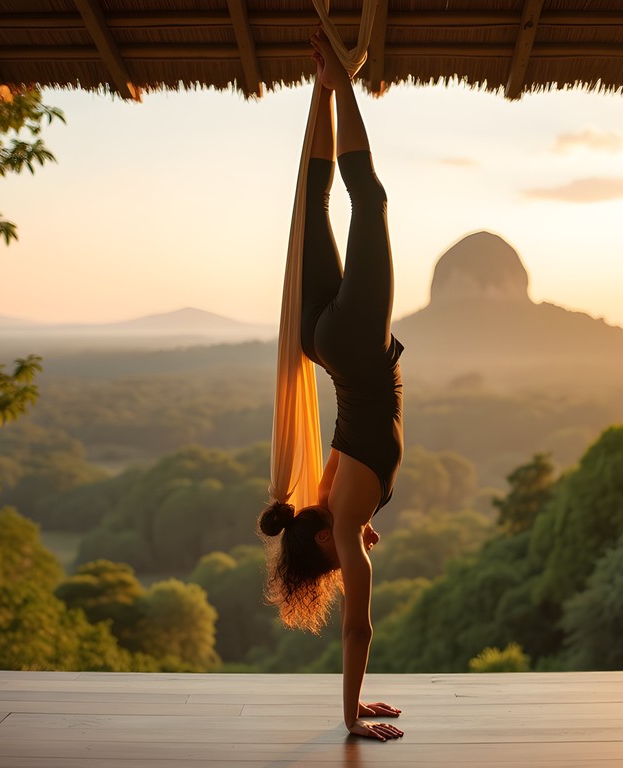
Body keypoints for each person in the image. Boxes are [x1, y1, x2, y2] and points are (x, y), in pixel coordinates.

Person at [257, 28, 404, 742]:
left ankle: (341, 80)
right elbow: (349, 506)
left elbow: (358, 632)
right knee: (314, 207)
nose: (345, 572)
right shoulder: (321, 491)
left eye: (331, 570)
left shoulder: (344, 523)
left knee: (367, 202)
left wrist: (351, 719)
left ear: (325, 549)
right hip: (320, 343)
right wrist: (355, 523)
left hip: (356, 344)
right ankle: (324, 87)